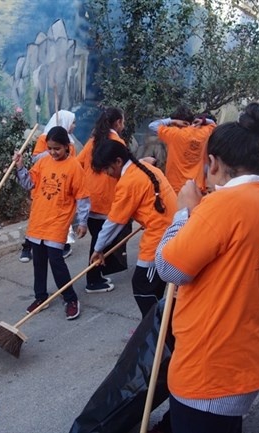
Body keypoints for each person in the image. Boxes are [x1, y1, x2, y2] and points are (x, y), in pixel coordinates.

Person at [155, 103, 259, 433]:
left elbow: (169, 268)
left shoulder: (222, 206)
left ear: (212, 163)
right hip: (244, 360)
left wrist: (185, 214)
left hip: (209, 369)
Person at [90, 139, 177, 317]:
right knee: (154, 287)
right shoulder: (144, 168)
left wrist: (98, 249)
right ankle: (158, 327)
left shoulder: (129, 181)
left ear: (118, 162)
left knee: (143, 287)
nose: (107, 174)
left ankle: (158, 332)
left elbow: (114, 223)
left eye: (107, 169)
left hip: (161, 238)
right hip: (169, 230)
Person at [14, 125, 90, 320]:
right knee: (38, 262)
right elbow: (29, 183)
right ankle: (41, 297)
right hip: (38, 220)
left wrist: (82, 222)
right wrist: (20, 166)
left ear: (67, 147)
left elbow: (82, 197)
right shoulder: (43, 162)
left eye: (57, 148)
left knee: (56, 261)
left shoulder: (74, 167)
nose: (53, 152)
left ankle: (70, 298)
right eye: (50, 148)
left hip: (58, 221)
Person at [76, 107, 127, 293]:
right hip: (107, 200)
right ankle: (93, 279)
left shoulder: (93, 141)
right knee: (100, 241)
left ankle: (97, 273)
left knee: (99, 239)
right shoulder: (117, 142)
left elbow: (78, 163)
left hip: (91, 199)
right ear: (118, 123)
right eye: (123, 121)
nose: (124, 125)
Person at [20, 110, 78, 263]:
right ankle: (27, 248)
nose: (74, 126)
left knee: (58, 226)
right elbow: (35, 159)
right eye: (72, 122)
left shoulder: (70, 143)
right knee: (37, 222)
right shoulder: (43, 139)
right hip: (43, 192)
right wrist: (51, 152)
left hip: (61, 195)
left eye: (57, 148)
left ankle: (63, 245)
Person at [148, 105, 216, 194]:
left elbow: (152, 125)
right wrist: (203, 120)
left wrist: (172, 120)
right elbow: (213, 124)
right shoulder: (203, 133)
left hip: (176, 187)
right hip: (196, 188)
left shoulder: (174, 134)